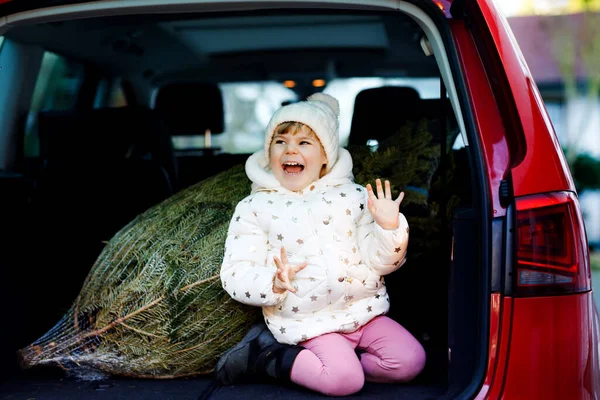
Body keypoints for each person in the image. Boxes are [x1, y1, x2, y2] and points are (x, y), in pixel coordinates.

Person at [216, 93, 426, 396]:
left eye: (304, 143)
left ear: (326, 155)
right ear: (269, 153)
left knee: (410, 362)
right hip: (308, 322)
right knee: (345, 381)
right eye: (280, 142)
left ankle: (340, 364)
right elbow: (235, 272)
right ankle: (267, 356)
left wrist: (390, 227)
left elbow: (381, 262)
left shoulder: (352, 197)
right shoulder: (255, 207)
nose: (291, 149)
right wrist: (273, 284)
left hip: (363, 313)